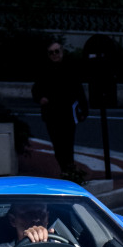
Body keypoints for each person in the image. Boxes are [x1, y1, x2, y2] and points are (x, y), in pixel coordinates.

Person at [32, 40, 88, 174]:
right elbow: (36, 89)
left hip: (67, 113)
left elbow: (79, 90)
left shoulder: (70, 69)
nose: (54, 55)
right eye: (51, 53)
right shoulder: (44, 71)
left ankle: (69, 168)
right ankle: (65, 168)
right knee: (57, 144)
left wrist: (84, 110)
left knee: (68, 143)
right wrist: (40, 99)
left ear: (61, 52)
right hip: (51, 114)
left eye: (56, 51)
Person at [0, 202, 84, 247]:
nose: (37, 219)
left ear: (47, 218)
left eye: (41, 213)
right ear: (13, 220)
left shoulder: (66, 246)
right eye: (28, 214)